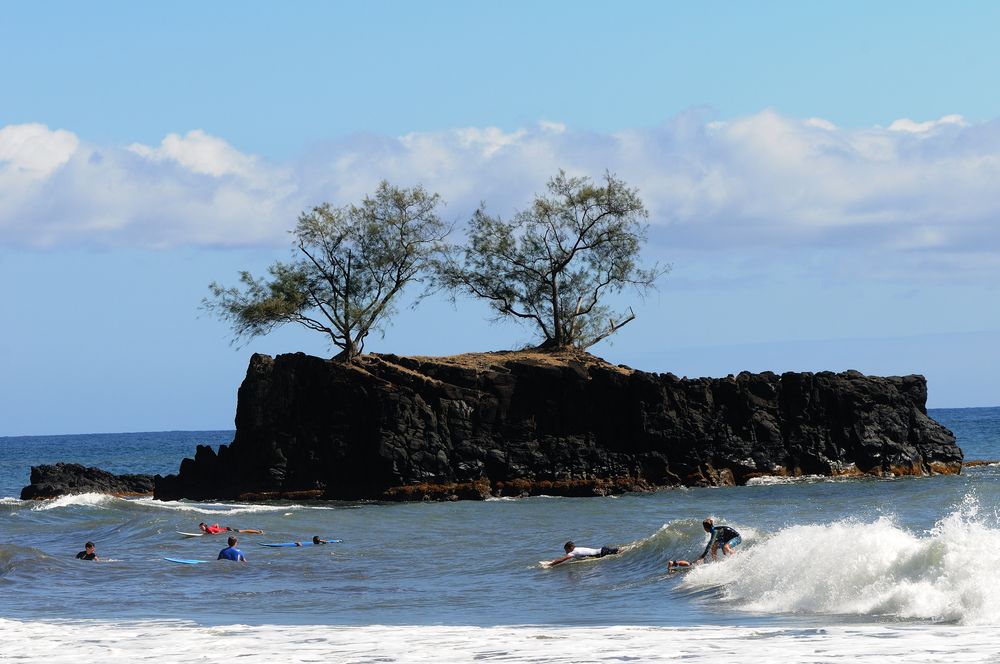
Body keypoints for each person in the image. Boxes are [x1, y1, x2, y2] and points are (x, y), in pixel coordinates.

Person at [667, 519, 741, 570]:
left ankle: (735, 558)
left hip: (736, 538)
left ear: (705, 528)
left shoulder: (714, 532)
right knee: (714, 547)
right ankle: (715, 563)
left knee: (725, 547)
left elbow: (710, 543)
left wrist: (703, 556)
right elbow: (713, 544)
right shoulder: (714, 530)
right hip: (726, 539)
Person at [548, 540, 620, 566]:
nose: (565, 552)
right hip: (602, 550)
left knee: (620, 552)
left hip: (602, 553)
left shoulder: (573, 552)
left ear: (569, 548)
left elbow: (561, 560)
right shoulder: (576, 549)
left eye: (566, 550)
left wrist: (550, 564)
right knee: (620, 550)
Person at [199, 522, 264, 535]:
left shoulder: (209, 530)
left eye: (202, 527)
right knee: (244, 531)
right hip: (227, 529)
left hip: (228, 530)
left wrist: (221, 531)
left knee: (244, 531)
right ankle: (257, 532)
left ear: (205, 526)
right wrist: (218, 529)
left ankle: (258, 532)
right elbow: (217, 524)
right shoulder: (209, 527)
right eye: (200, 528)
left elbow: (214, 534)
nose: (201, 529)